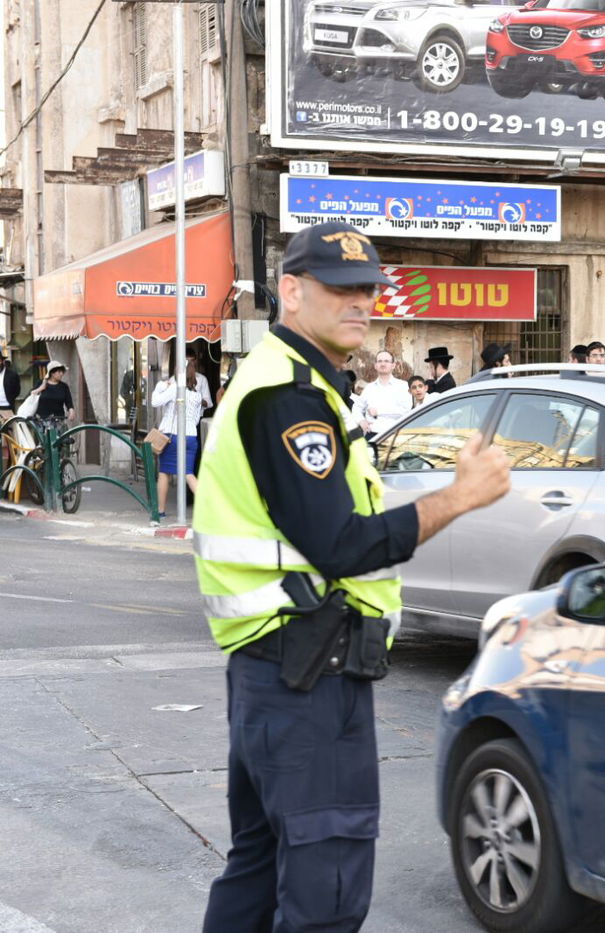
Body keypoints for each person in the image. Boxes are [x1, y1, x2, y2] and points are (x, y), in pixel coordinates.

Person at [195, 221, 512, 931]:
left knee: (258, 869)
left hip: (278, 668)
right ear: (292, 291)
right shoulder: (288, 397)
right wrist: (459, 497)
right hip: (306, 672)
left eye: (367, 288)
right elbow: (339, 543)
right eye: (340, 289)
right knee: (323, 895)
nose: (359, 303)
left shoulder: (301, 382)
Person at [150, 355, 205, 519]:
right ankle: (208, 508)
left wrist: (160, 386)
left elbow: (155, 401)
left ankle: (160, 510)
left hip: (173, 436)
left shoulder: (174, 389)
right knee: (189, 473)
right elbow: (196, 419)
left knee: (164, 473)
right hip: (191, 438)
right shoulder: (197, 395)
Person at [355, 350, 411, 437]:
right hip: (372, 434)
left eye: (386, 361)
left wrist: (378, 411)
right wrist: (361, 421)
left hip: (395, 435)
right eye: (379, 361)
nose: (383, 364)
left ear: (393, 365)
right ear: (375, 366)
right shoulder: (369, 388)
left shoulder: (402, 386)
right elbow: (357, 408)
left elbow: (405, 410)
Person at [0, 350, 19, 420]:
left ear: (2, 361)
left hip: (7, 407)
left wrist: (10, 399)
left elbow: (17, 391)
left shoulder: (12, 375)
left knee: (9, 429)